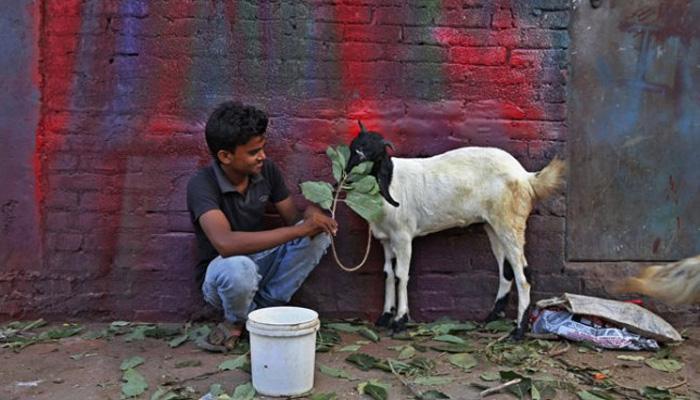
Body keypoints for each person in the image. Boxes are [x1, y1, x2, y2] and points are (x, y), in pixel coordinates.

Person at [187, 101, 338, 351]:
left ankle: (263, 313)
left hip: (261, 263)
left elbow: (294, 220)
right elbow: (225, 244)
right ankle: (236, 321)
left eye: (262, 148)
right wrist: (300, 229)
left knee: (319, 235)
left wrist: (310, 217)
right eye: (253, 152)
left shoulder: (266, 170)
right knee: (239, 267)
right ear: (225, 156)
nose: (263, 156)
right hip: (223, 276)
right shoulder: (202, 184)